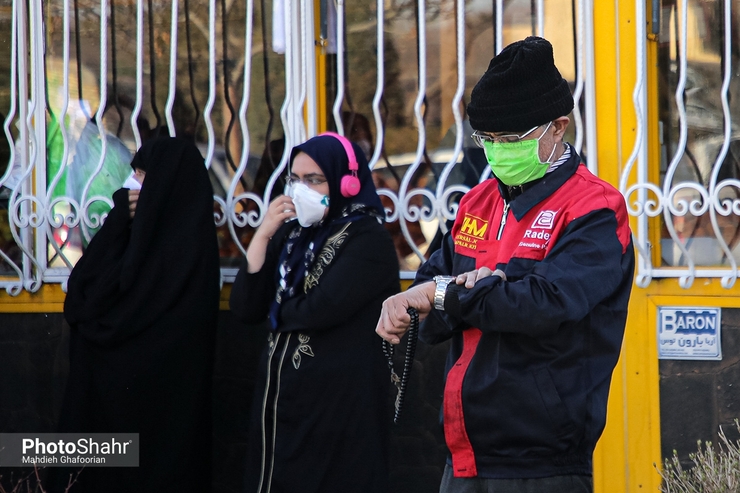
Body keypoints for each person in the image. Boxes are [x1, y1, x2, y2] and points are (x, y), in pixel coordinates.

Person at [376, 36, 635, 492]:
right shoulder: (476, 202)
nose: (496, 152)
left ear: (559, 127)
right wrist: (443, 296)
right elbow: (431, 309)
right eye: (487, 140)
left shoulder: (594, 208)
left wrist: (448, 293)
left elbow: (544, 303)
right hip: (462, 454)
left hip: (542, 461)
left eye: (510, 140)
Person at [229, 133, 399, 493]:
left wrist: (277, 308)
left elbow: (321, 308)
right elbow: (245, 308)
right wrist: (261, 236)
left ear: (346, 182)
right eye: (295, 179)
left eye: (313, 179)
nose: (300, 189)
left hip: (336, 409)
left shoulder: (368, 239)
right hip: (282, 404)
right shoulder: (291, 235)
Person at [55, 137, 220, 493]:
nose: (131, 186)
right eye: (134, 173)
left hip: (158, 428)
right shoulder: (133, 239)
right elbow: (83, 294)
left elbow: (108, 309)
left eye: (143, 175)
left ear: (166, 186)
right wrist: (117, 224)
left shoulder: (187, 257)